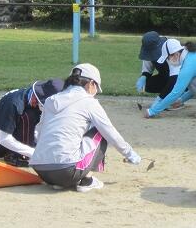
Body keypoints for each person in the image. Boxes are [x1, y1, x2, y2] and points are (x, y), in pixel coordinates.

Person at [30, 63, 141, 192]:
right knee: (100, 132)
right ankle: (86, 181)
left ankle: (61, 183)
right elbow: (110, 132)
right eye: (97, 88)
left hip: (41, 170)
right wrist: (130, 154)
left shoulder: (50, 100)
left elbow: (39, 131)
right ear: (91, 83)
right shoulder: (89, 102)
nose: (96, 92)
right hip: (67, 171)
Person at [0, 78, 64, 166]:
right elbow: (4, 139)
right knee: (28, 115)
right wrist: (34, 153)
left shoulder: (30, 97)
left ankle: (24, 153)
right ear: (38, 99)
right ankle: (16, 156)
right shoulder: (13, 103)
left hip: (15, 136)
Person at [136, 31, 184, 110]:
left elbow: (174, 79)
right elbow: (147, 70)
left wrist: (160, 99)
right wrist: (143, 77)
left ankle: (177, 99)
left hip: (181, 79)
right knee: (147, 84)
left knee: (172, 83)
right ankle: (168, 97)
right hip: (165, 77)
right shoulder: (148, 52)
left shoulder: (171, 49)